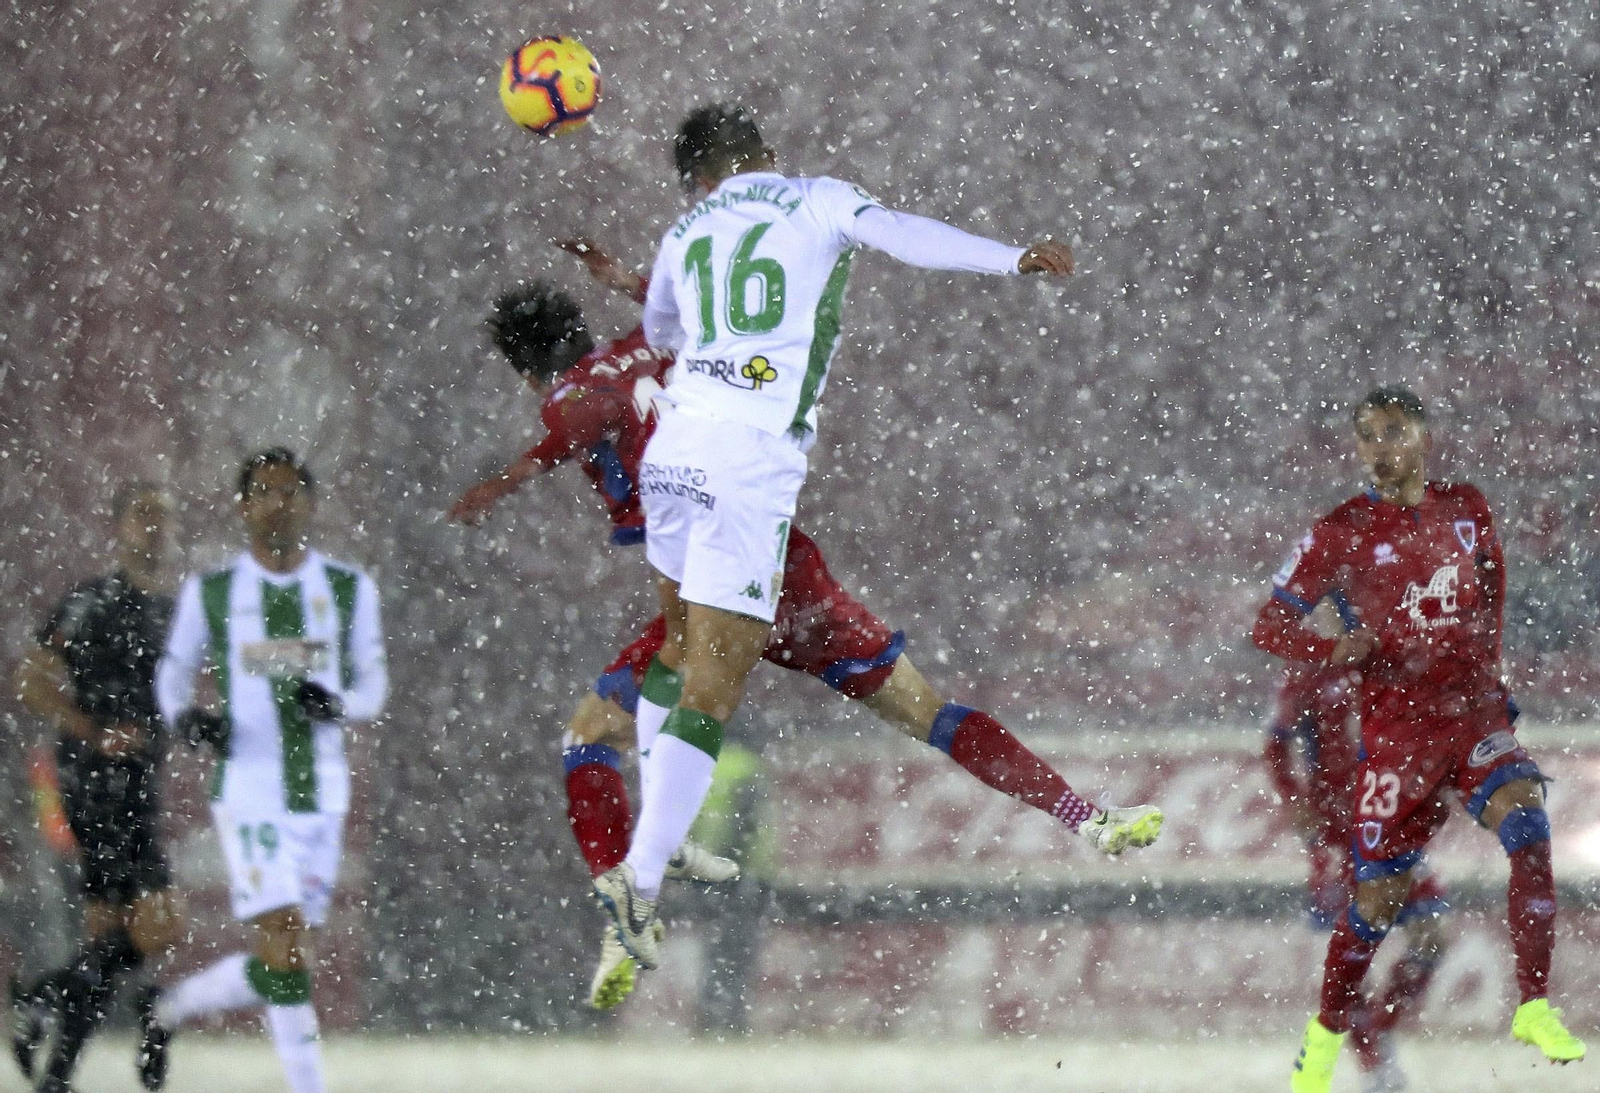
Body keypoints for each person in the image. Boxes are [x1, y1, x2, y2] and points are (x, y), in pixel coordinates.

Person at [454, 241, 1160, 1006]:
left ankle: (630, 897)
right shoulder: (653, 346)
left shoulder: (563, 403)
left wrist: (509, 477)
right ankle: (1086, 816)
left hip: (720, 580)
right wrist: (632, 283)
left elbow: (581, 419)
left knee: (593, 732)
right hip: (793, 570)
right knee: (930, 713)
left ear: (526, 370)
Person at [591, 101, 1160, 966]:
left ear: (699, 180)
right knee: (720, 689)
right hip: (749, 468)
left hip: (674, 453)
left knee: (674, 654)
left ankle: (648, 860)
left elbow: (665, 333)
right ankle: (640, 877)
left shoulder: (684, 230)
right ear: (767, 156)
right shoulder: (815, 198)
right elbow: (904, 232)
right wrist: (1010, 257)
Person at [1252, 386, 1585, 1093]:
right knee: (1373, 911)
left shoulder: (1466, 508)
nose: (1380, 446)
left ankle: (1531, 1004)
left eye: (1393, 430)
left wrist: (1489, 675)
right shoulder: (1338, 534)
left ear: (1424, 436)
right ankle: (1328, 1036)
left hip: (1470, 719)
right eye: (1367, 435)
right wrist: (1334, 648)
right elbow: (1269, 629)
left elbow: (1493, 584)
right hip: (1393, 753)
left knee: (1526, 825)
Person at [143, 449, 388, 1093]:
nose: (278, 504)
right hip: (248, 790)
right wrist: (187, 718)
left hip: (321, 795)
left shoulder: (345, 588)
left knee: (287, 959)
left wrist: (338, 705)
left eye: (290, 492)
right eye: (264, 492)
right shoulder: (215, 591)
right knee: (283, 944)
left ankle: (170, 1008)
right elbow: (171, 671)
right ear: (243, 507)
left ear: (310, 503)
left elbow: (373, 683)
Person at [9, 483, 179, 1093]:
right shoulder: (92, 602)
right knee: (160, 919)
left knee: (108, 936)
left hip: (139, 782)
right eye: (143, 515)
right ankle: (138, 1013)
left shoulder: (176, 608)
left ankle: (51, 1049)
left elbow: (206, 674)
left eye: (163, 516)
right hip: (95, 784)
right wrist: (92, 728)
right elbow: (30, 680)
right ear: (119, 528)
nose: (155, 526)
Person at [1262, 662, 1450, 1093]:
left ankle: (1380, 1030)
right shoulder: (1305, 674)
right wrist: (1295, 800)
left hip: (1389, 825)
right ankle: (1373, 1064)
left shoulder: (1395, 662)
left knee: (1433, 936)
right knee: (1350, 956)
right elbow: (1275, 746)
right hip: (1335, 833)